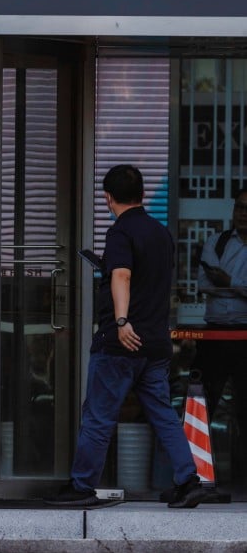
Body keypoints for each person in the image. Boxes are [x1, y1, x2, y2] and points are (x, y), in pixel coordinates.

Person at [45, 164, 207, 508]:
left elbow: (122, 276)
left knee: (99, 415)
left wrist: (121, 322)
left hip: (122, 342)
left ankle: (82, 485)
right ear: (142, 194)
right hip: (156, 343)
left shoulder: (120, 232)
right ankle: (188, 480)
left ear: (108, 197)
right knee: (162, 413)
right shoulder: (160, 233)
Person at [195, 187, 247, 489]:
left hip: (245, 335)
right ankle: (196, 478)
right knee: (203, 402)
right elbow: (204, 283)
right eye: (239, 207)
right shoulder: (218, 241)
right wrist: (239, 288)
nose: (243, 213)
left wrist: (229, 282)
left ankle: (242, 480)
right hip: (214, 332)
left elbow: (219, 282)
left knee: (244, 410)